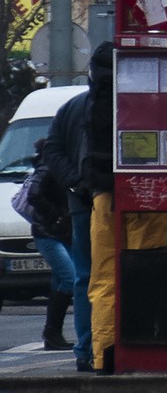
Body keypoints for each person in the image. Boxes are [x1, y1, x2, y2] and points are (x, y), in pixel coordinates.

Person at [41, 80, 94, 371]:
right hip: (112, 201)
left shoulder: (71, 107)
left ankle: (86, 349)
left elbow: (53, 150)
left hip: (81, 205)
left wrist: (73, 183)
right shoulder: (118, 102)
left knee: (84, 277)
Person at [17, 137, 75, 349]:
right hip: (48, 233)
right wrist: (55, 217)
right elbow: (34, 194)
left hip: (59, 232)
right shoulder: (48, 167)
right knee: (71, 279)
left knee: (60, 282)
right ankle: (51, 332)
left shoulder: (53, 166)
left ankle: (53, 333)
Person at [84, 40, 116, 375]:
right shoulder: (132, 97)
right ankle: (147, 342)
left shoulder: (91, 102)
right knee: (147, 266)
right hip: (141, 196)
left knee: (104, 279)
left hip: (102, 198)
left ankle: (104, 355)